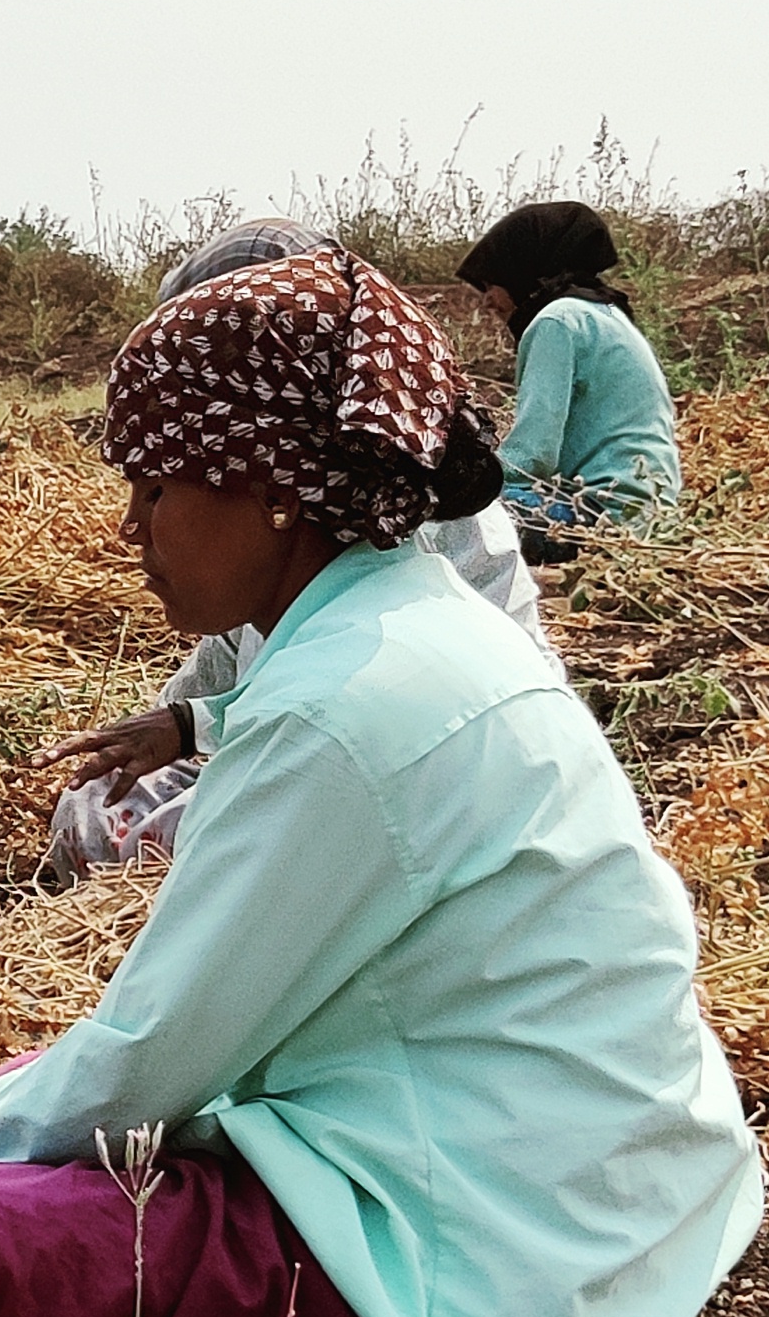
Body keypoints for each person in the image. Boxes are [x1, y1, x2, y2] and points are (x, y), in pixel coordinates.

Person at [0, 248, 760, 1317]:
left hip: (460, 1275)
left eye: (156, 487)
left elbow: (148, 1059)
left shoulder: (336, 714)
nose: (130, 528)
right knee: (30, 1106)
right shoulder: (417, 620)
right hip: (602, 1203)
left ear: (275, 488)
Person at [41, 220, 559, 880]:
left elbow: (341, 730)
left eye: (161, 487)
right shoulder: (313, 555)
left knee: (183, 830)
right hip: (357, 768)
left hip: (430, 791)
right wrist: (185, 724)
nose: (131, 527)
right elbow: (232, 680)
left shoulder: (399, 545)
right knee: (106, 802)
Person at [458, 200, 682, 524]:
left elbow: (531, 457)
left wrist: (462, 489)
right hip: (648, 510)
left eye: (492, 283)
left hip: (601, 511)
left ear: (521, 272)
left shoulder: (557, 321)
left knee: (450, 520)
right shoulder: (601, 314)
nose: (488, 300)